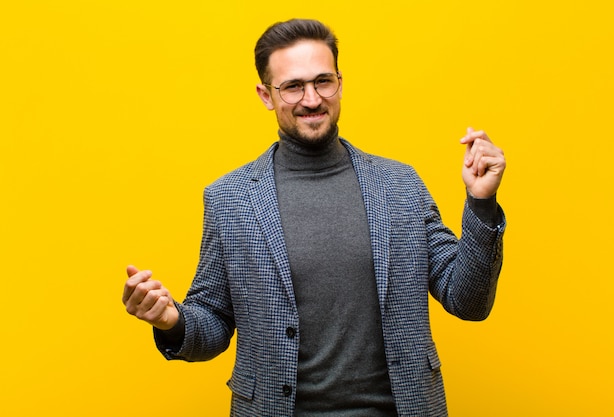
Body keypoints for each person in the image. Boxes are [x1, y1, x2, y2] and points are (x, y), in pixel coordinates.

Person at [122, 18, 506, 417]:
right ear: (266, 95)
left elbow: (468, 301)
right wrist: (172, 321)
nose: (311, 99)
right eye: (293, 86)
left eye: (323, 81)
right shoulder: (230, 199)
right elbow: (214, 322)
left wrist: (481, 202)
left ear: (340, 82)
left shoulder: (400, 184)